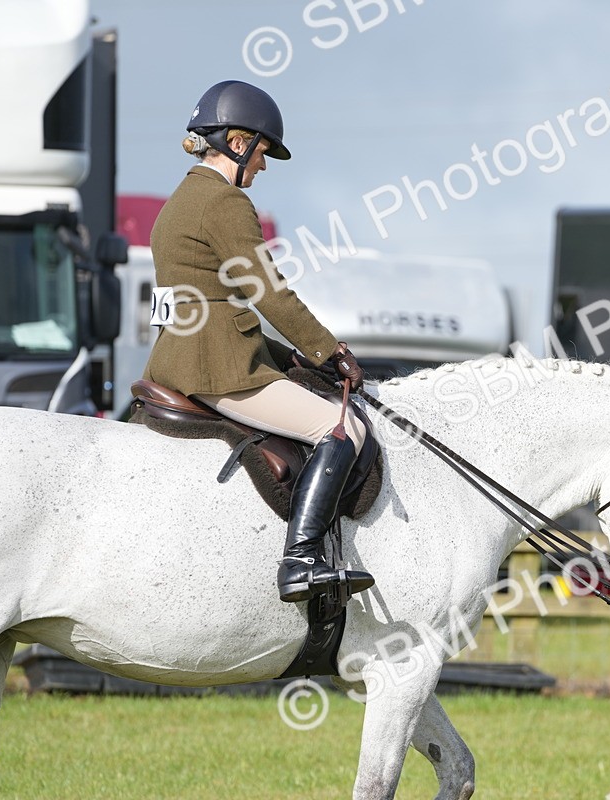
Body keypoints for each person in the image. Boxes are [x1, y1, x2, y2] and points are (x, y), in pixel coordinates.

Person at [141, 80, 374, 604]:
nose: (264, 168)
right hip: (214, 369)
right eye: (264, 153)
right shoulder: (224, 202)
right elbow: (268, 292)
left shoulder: (179, 201)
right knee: (343, 427)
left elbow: (210, 306)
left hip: (176, 360)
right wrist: (328, 351)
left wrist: (286, 357)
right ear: (239, 143)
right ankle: (302, 560)